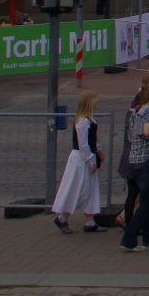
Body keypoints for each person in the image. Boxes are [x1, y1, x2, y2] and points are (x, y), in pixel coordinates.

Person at [121, 84, 149, 252]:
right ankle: (129, 239)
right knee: (146, 203)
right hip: (147, 161)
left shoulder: (136, 112)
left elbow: (132, 137)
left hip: (134, 161)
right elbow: (147, 132)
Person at [52, 91, 102, 234]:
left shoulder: (90, 119)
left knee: (89, 188)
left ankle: (90, 221)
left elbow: (93, 139)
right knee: (79, 188)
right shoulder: (82, 121)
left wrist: (98, 150)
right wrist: (91, 160)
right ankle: (62, 218)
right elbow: (83, 145)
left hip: (86, 157)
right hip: (81, 159)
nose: (97, 103)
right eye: (95, 101)